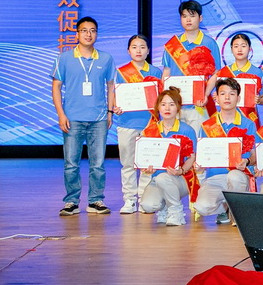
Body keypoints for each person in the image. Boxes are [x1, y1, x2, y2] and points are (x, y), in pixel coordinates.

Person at [51, 16, 117, 216]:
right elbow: (56, 87)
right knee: (71, 164)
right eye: (84, 30)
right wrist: (61, 114)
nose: (89, 34)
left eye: (93, 30)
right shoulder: (64, 58)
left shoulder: (106, 58)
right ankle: (71, 202)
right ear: (77, 34)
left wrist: (110, 112)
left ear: (97, 34)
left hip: (98, 119)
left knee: (98, 164)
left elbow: (111, 87)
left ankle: (96, 200)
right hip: (72, 118)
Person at [193, 78, 256, 224]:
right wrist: (199, 166)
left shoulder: (248, 124)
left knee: (234, 177)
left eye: (232, 94)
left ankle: (237, 214)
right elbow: (201, 157)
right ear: (216, 98)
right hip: (214, 178)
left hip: (238, 176)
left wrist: (247, 161)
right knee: (202, 207)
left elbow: (255, 156)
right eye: (223, 94)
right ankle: (225, 207)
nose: (227, 97)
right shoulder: (207, 126)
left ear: (238, 98)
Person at [112, 34, 163, 214]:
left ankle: (143, 198)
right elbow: (115, 95)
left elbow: (161, 99)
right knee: (127, 164)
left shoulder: (156, 72)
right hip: (127, 123)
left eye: (142, 47)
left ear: (148, 50)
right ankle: (129, 199)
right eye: (134, 47)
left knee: (147, 164)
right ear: (128, 51)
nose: (138, 51)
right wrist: (115, 107)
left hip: (150, 124)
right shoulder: (121, 72)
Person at [138, 87, 198, 226]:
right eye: (163, 104)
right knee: (148, 205)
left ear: (178, 107)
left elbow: (192, 157)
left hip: (181, 178)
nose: (167, 108)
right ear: (158, 107)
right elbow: (144, 158)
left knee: (163, 178)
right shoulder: (149, 131)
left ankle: (176, 211)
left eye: (172, 104)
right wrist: (147, 169)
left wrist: (181, 170)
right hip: (156, 179)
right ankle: (164, 208)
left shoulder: (187, 130)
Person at [160, 0, 221, 132]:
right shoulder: (172, 45)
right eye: (184, 16)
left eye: (192, 16)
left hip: (198, 105)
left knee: (197, 142)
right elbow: (166, 72)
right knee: (174, 141)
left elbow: (216, 73)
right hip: (175, 105)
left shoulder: (209, 43)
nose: (188, 19)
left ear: (200, 18)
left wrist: (205, 94)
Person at [205, 32, 263, 127]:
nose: (239, 49)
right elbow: (213, 81)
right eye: (236, 46)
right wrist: (213, 95)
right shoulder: (224, 72)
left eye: (243, 46)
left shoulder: (258, 72)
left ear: (250, 49)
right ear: (231, 49)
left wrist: (259, 100)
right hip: (226, 119)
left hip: (249, 118)